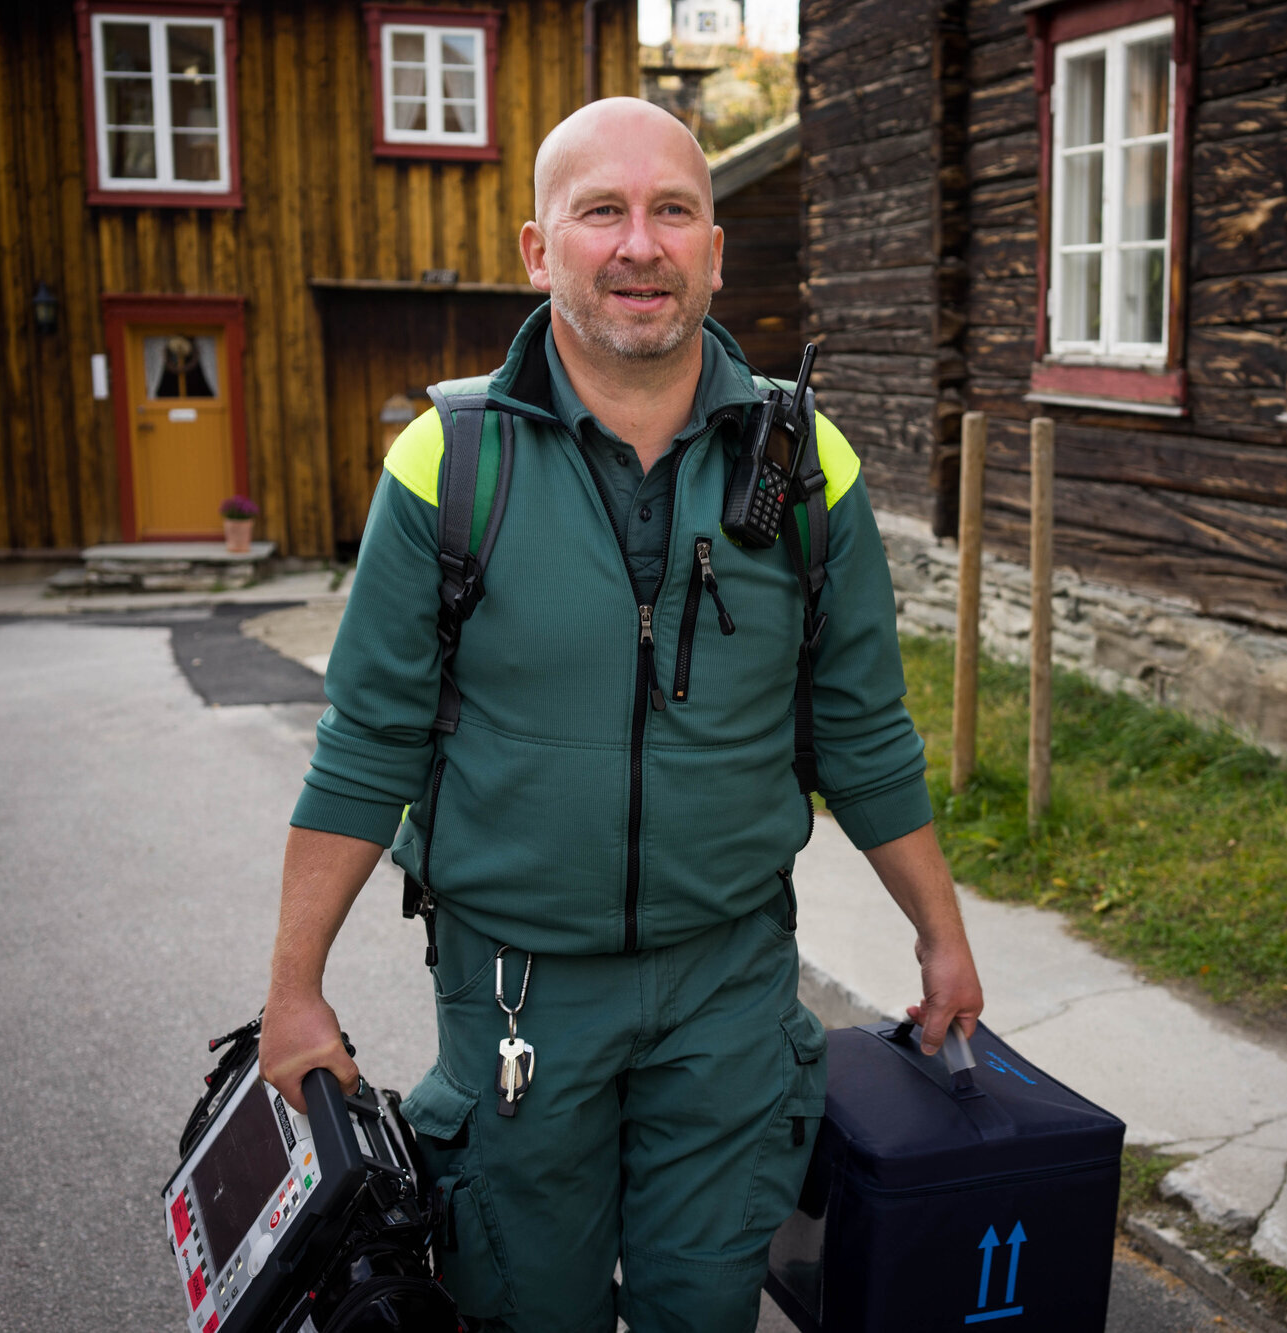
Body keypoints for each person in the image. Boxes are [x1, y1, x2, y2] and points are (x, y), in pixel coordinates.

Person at [258, 97, 984, 1333]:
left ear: (713, 248)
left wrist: (940, 935)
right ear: (540, 250)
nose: (637, 245)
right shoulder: (447, 465)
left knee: (704, 1308)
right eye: (601, 211)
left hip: (730, 990)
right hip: (516, 994)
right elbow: (367, 740)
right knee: (523, 1307)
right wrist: (293, 986)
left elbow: (861, 731)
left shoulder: (813, 470)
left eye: (672, 213)